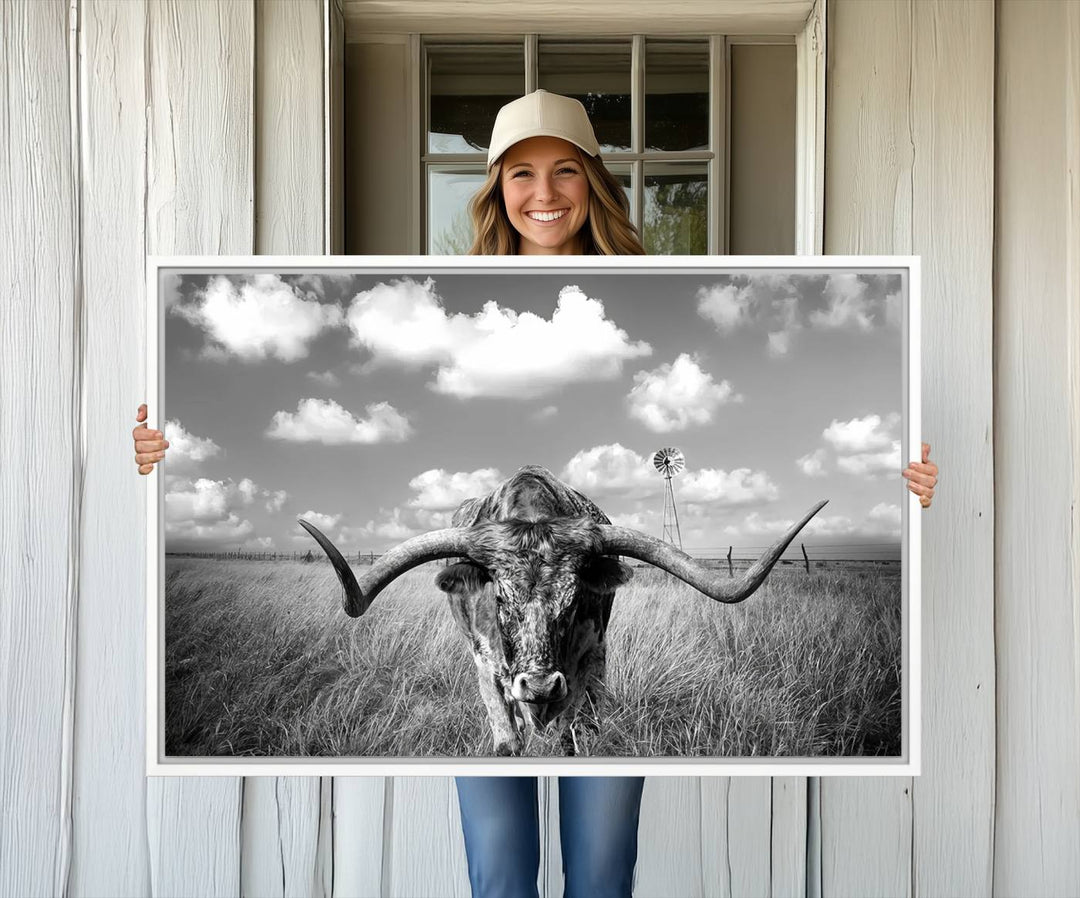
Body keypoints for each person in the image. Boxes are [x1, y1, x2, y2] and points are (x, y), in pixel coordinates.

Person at [131, 90, 939, 898]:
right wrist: (157, 459)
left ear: (593, 182)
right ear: (495, 189)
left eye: (565, 172)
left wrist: (907, 483)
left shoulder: (658, 294)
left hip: (574, 651)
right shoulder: (431, 292)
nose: (544, 194)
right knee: (501, 875)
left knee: (600, 873)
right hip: (497, 658)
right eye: (521, 173)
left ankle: (567, 692)